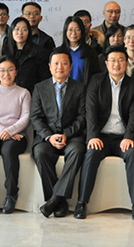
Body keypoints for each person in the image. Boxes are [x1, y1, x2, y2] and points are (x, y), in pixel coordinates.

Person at [74, 46, 134, 221]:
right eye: (112, 60)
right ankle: (82, 203)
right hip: (101, 136)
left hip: (122, 137)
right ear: (106, 63)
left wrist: (129, 137)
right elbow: (90, 110)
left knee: (133, 153)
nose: (116, 64)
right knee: (91, 153)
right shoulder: (96, 81)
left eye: (120, 60)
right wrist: (93, 136)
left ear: (126, 63)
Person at [31, 47, 86, 218]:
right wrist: (49, 136)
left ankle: (54, 200)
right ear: (49, 66)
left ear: (70, 66)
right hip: (48, 137)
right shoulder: (40, 88)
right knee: (40, 153)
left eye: (64, 63)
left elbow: (82, 116)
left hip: (72, 136)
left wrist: (66, 134)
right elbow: (35, 117)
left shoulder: (80, 88)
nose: (60, 67)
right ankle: (59, 202)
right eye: (56, 63)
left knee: (77, 151)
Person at [0, 57, 31, 214]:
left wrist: (10, 131)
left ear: (16, 72)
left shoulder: (23, 93)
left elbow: (25, 118)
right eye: (2, 70)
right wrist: (4, 131)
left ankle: (11, 195)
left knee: (8, 151)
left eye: (10, 70)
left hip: (16, 135)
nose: (6, 74)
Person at [1, 17, 50, 93]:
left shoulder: (39, 52)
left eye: (24, 30)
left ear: (29, 32)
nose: (20, 33)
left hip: (31, 93)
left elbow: (43, 79)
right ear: (11, 31)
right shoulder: (6, 51)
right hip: (9, 93)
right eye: (17, 29)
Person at [61, 16, 101, 87]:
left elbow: (96, 76)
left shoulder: (90, 52)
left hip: (84, 91)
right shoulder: (59, 52)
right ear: (65, 31)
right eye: (70, 30)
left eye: (77, 30)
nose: (74, 33)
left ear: (82, 31)